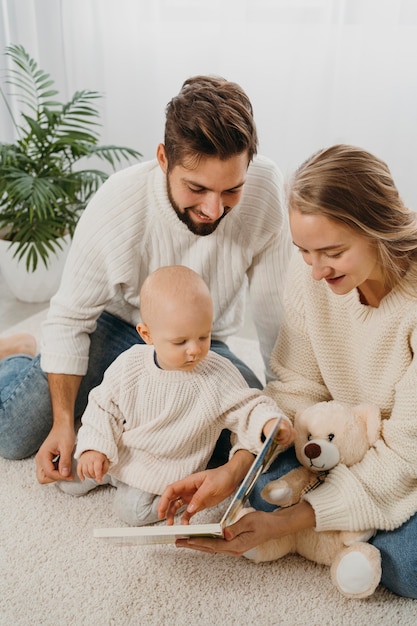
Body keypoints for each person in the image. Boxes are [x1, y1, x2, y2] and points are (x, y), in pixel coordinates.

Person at [0, 75, 293, 479]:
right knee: (14, 436)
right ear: (163, 159)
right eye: (197, 188)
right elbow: (70, 319)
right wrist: (65, 422)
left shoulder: (264, 189)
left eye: (231, 191)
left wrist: (283, 398)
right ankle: (16, 353)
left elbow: (274, 311)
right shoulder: (117, 204)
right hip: (118, 325)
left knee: (250, 442)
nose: (213, 209)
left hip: (204, 344)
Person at [158, 145, 417, 599]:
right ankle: (343, 529)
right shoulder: (312, 278)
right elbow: (294, 388)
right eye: (303, 252)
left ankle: (333, 529)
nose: (314, 271)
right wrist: (237, 469)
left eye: (332, 252)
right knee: (257, 495)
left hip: (404, 460)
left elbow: (404, 459)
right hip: (337, 450)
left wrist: (288, 521)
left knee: (410, 565)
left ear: (378, 230)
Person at [57, 266, 296, 526]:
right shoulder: (130, 364)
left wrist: (269, 423)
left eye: (203, 336)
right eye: (180, 342)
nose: (194, 350)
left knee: (132, 512)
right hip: (121, 448)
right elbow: (104, 405)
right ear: (147, 335)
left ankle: (176, 490)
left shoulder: (217, 375)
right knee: (67, 476)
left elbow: (250, 406)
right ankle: (108, 468)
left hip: (164, 467)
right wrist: (94, 448)